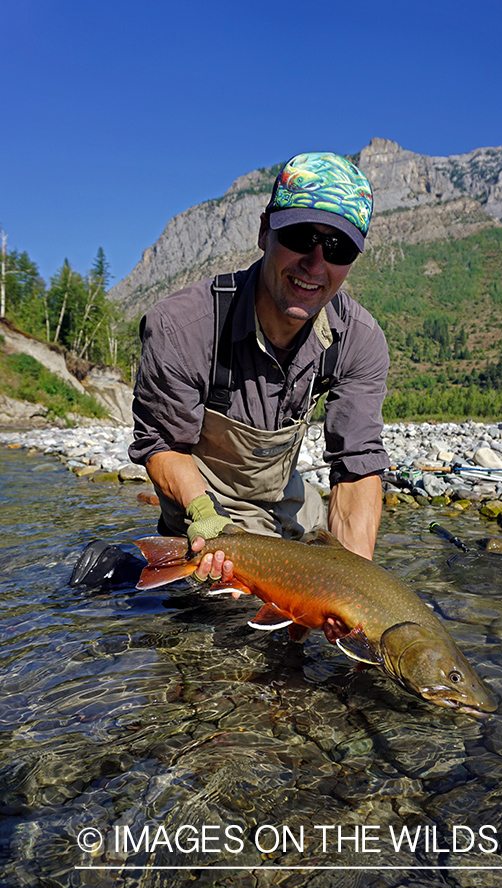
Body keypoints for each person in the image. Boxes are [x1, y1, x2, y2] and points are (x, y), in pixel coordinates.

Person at [71, 152, 390, 590]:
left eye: (338, 248)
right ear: (264, 232)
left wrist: (355, 594)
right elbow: (161, 444)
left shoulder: (359, 340)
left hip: (284, 497)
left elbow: (356, 468)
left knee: (331, 586)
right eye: (299, 236)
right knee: (234, 618)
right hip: (202, 495)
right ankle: (128, 571)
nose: (315, 265)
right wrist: (203, 517)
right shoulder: (182, 326)